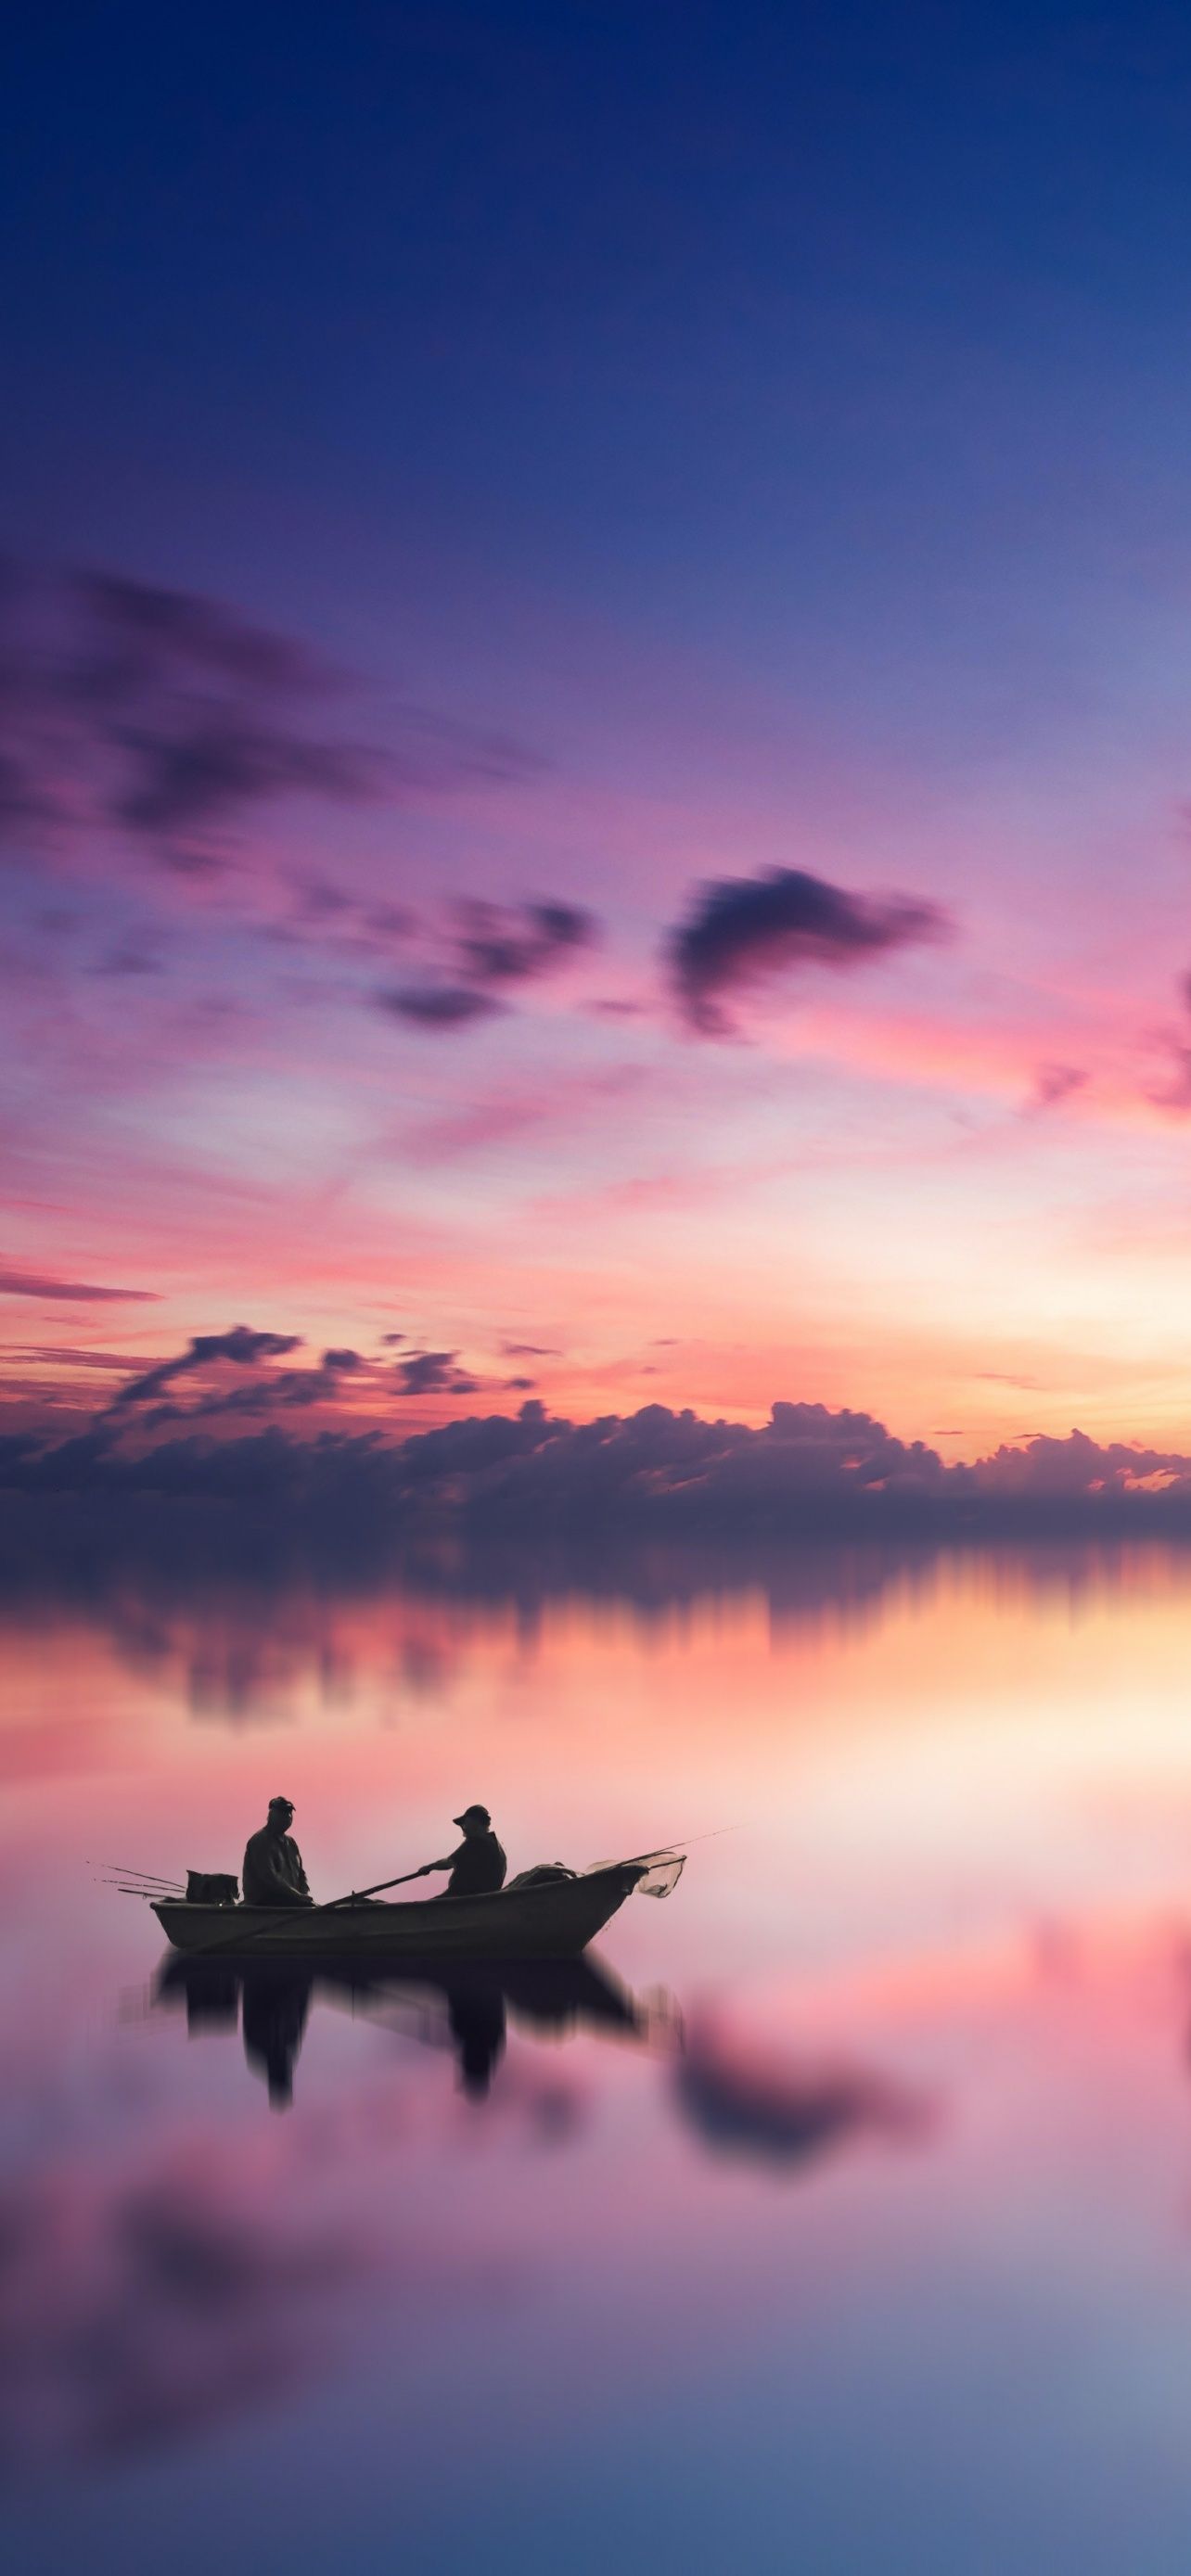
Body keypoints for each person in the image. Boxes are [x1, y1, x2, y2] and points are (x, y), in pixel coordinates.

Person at [416, 1804, 506, 1898]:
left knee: (428, 1908)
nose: (464, 1827)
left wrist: (429, 1867)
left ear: (476, 1821)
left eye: (465, 1823)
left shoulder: (476, 1842)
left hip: (465, 1898)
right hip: (483, 1899)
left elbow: (449, 1862)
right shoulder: (494, 1843)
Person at [242, 1796, 314, 1907]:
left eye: (289, 1813)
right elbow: (270, 1878)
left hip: (291, 1906)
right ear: (271, 1815)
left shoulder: (291, 1842)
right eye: (283, 1813)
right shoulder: (260, 1841)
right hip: (264, 1907)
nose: (288, 1816)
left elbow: (301, 1874)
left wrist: (304, 1895)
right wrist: (298, 1896)